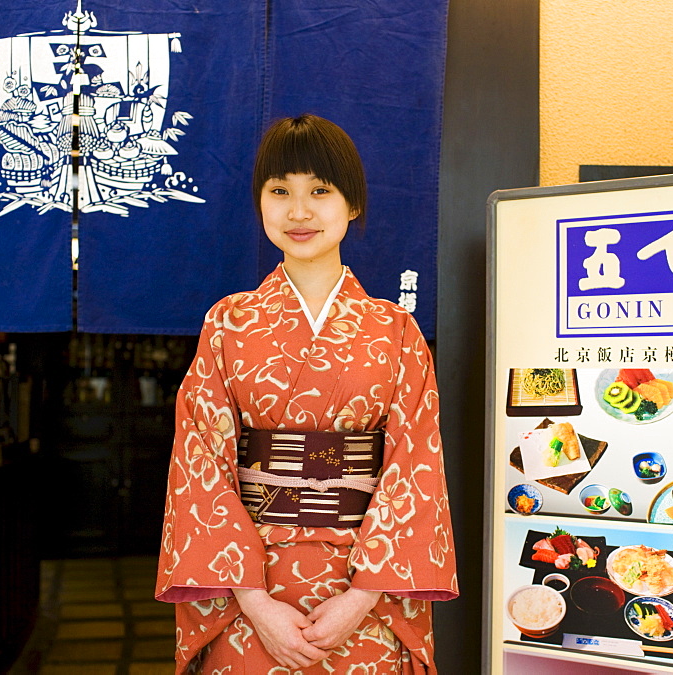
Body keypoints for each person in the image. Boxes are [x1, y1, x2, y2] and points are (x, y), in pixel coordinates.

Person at [155, 114, 458, 674]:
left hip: (367, 588)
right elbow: (198, 465)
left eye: (320, 191)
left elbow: (417, 467)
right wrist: (254, 602)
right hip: (248, 589)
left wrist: (362, 598)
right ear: (261, 203)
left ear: (353, 203)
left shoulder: (396, 330)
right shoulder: (228, 322)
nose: (299, 211)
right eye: (280, 191)